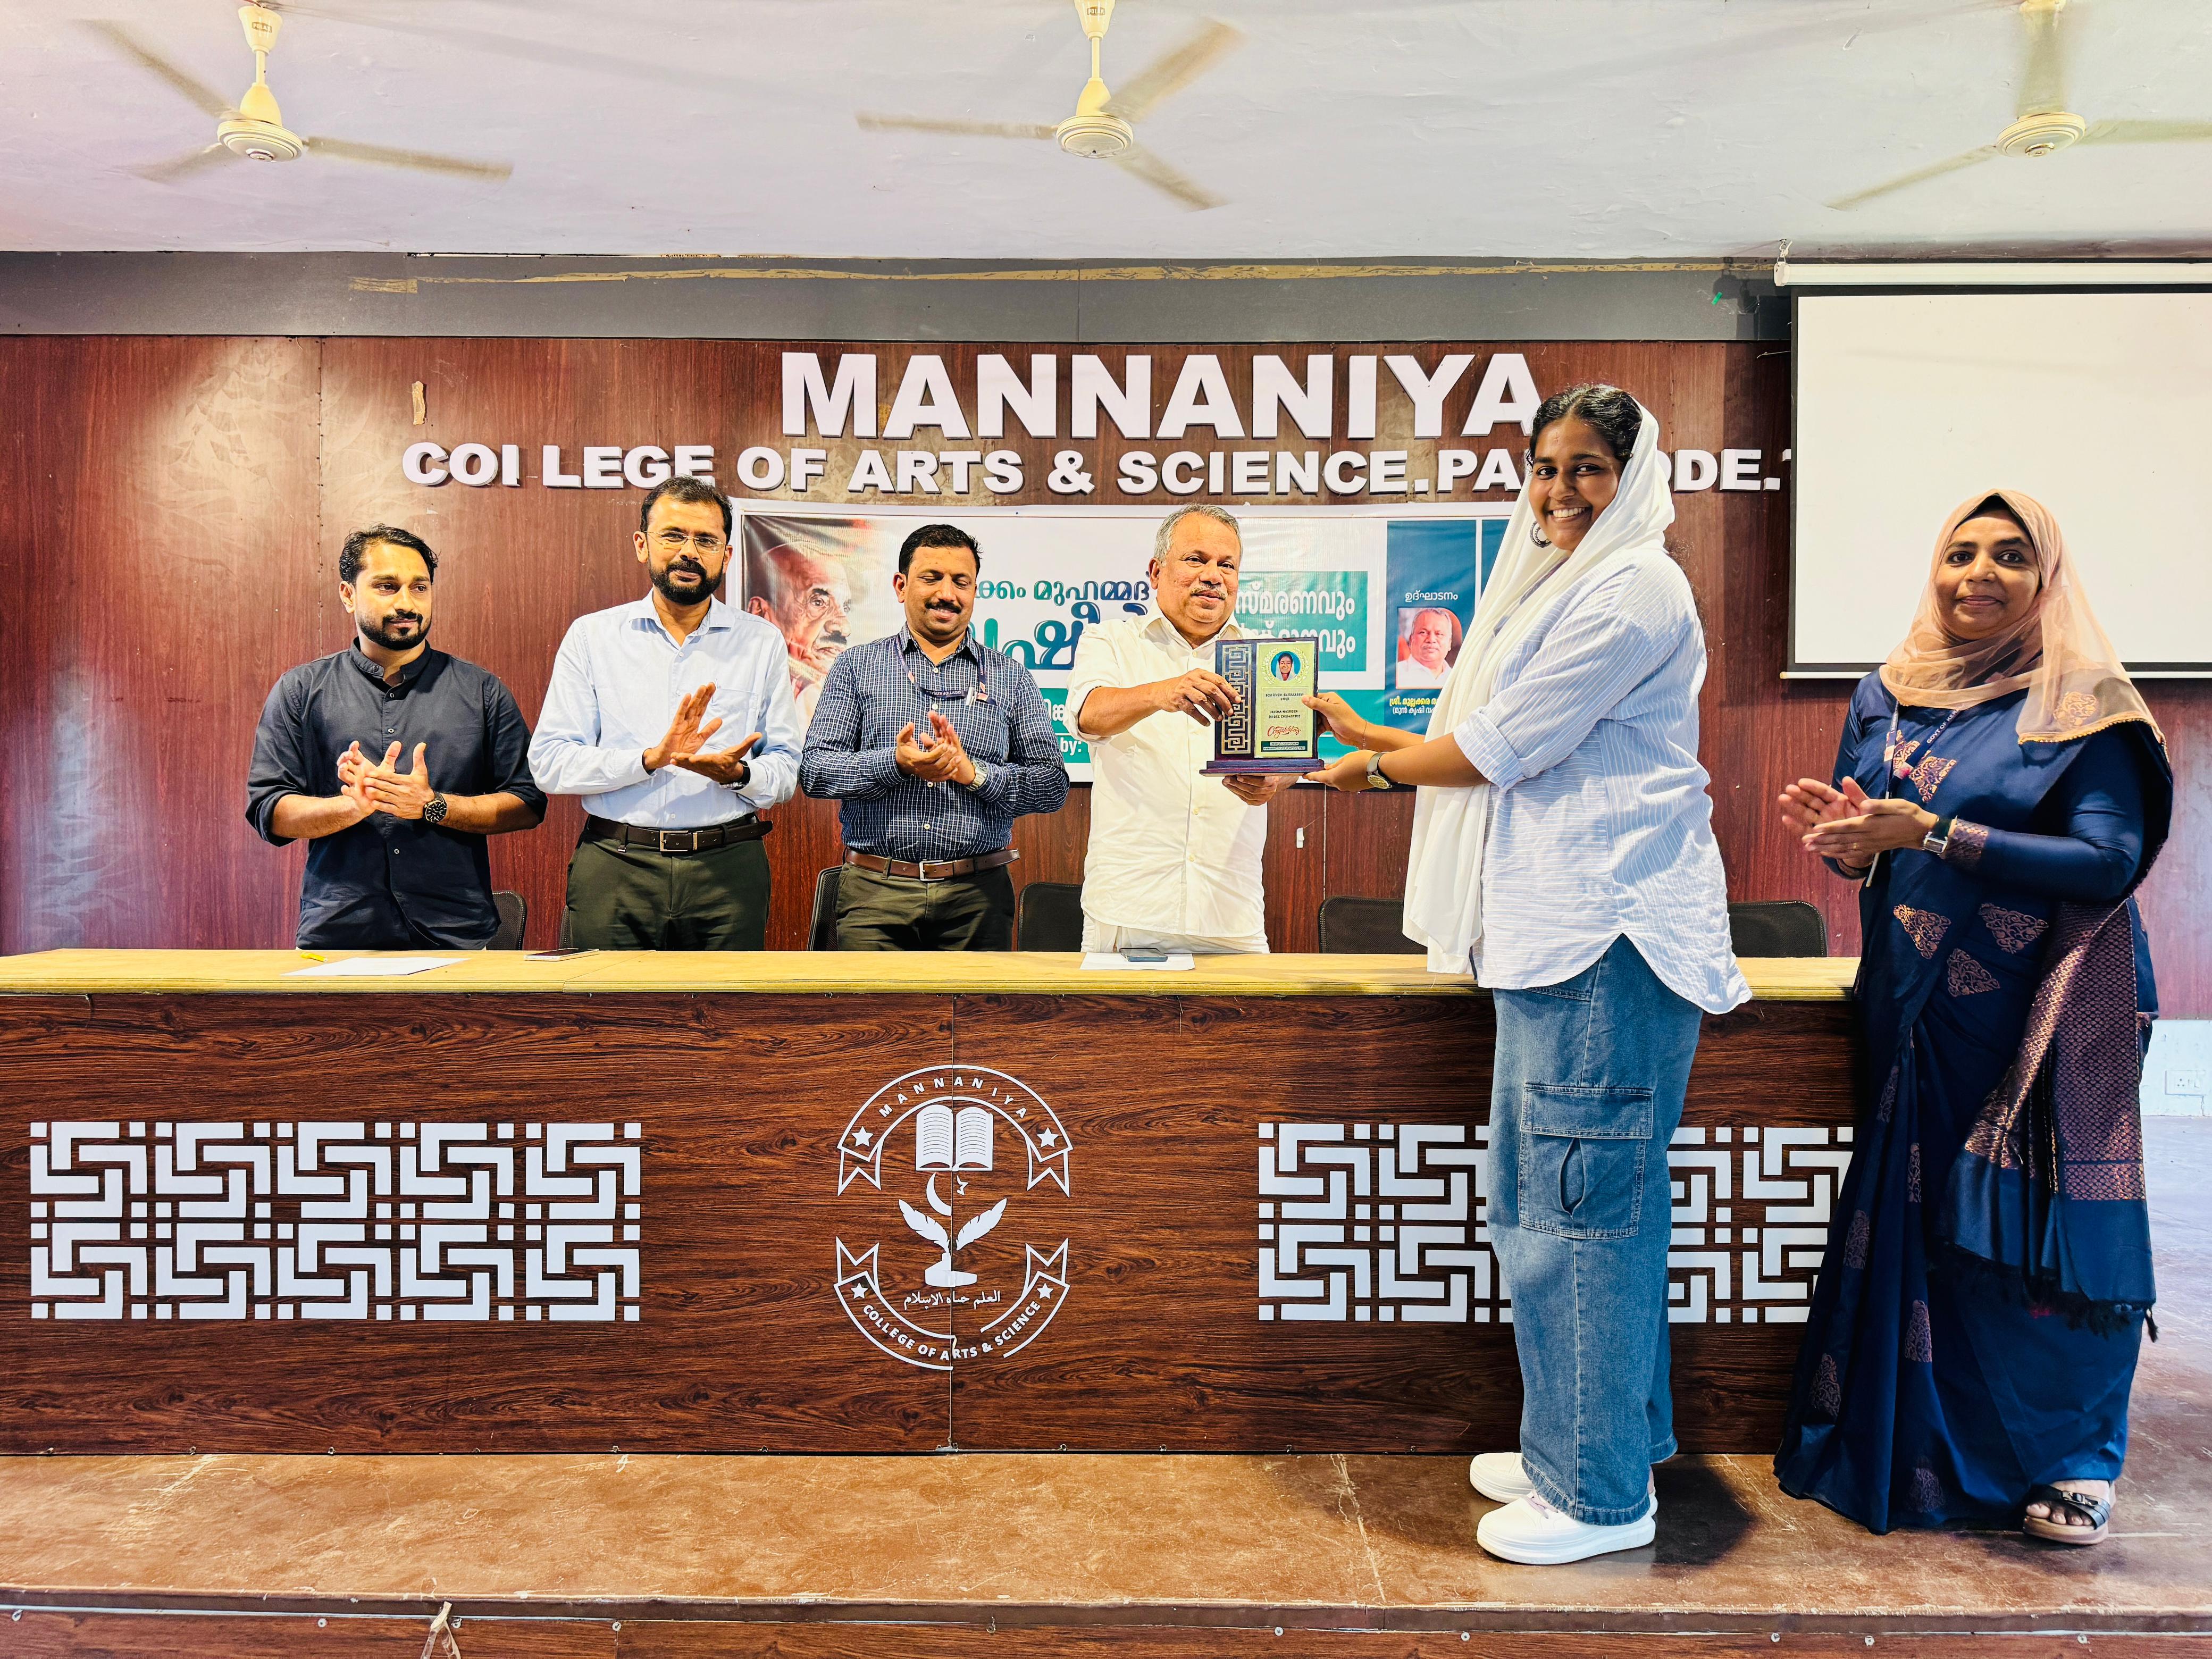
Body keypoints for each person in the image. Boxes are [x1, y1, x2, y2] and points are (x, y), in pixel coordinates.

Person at [1304, 384, 1746, 1565]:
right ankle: (1602, 1442)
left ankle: (1595, 1496)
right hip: (1559, 936)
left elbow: (1505, 747)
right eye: (1546, 467)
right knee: (1557, 1207)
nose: (1560, 490)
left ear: (1633, 476)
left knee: (1578, 1219)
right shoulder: (1567, 580)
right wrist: (1375, 741)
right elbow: (1499, 739)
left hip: (1606, 936)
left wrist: (1370, 772)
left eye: (1588, 467)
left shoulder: (1635, 586)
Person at [1772, 490, 2169, 1545]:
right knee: (1929, 1226)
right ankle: (1924, 1453)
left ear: (2046, 580)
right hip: (1912, 1002)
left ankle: (2074, 1461)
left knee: (2028, 1230)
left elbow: (2109, 859)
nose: (1978, 573)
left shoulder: (2083, 703)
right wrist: (1851, 843)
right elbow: (1878, 835)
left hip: (2041, 1013)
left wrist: (1936, 834)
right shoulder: (1890, 692)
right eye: (1959, 554)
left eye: (2009, 555)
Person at [530, 476, 802, 950]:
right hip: (617, 864)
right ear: (642, 545)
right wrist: (648, 759)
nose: (689, 552)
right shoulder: (593, 637)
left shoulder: (761, 642)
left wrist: (739, 774)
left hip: (728, 867)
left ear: (727, 555)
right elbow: (550, 762)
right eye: (674, 536)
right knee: (607, 998)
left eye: (706, 540)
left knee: (725, 1000)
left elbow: (786, 768)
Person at [246, 525, 544, 949]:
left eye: (419, 587)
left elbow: (528, 803)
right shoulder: (301, 690)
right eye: (387, 586)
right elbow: (269, 809)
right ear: (348, 594)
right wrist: (352, 807)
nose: (406, 603)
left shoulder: (481, 691)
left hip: (456, 934)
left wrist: (433, 806)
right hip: (339, 934)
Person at [799, 524, 1069, 950]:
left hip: (977, 898)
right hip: (875, 893)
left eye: (961, 582)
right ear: (901, 586)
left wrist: (973, 774)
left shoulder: (1011, 677)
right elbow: (816, 772)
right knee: (870, 1000)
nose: (947, 593)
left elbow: (1051, 785)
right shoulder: (856, 667)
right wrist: (895, 763)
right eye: (932, 578)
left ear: (975, 591)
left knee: (976, 1000)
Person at [1066, 504, 1294, 956]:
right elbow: (1088, 715)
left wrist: (1275, 780)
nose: (1213, 576)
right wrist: (1161, 693)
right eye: (1196, 560)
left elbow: (1288, 759)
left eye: (1227, 565)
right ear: (1156, 572)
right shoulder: (1111, 640)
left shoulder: (1266, 656)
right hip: (1129, 908)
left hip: (1230, 910)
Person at [745, 538, 852, 725]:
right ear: (760, 613)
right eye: (818, 602)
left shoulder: (845, 699)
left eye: (845, 607)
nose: (844, 628)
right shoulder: (734, 689)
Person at [1396, 606, 1459, 689]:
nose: (1431, 640)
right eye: (1423, 633)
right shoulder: (1396, 674)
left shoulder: (1458, 678)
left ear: (1449, 643)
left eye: (1439, 634)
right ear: (1411, 640)